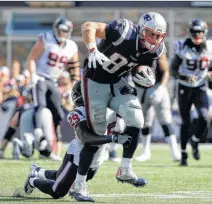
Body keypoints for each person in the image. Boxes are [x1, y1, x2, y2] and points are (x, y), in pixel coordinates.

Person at [71, 12, 167, 196]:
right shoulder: (123, 30)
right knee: (96, 136)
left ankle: (125, 169)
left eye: (158, 35)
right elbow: (88, 25)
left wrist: (146, 75)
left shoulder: (156, 49)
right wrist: (92, 49)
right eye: (150, 33)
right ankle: (78, 184)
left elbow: (145, 66)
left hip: (116, 81)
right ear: (140, 29)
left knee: (137, 118)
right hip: (94, 81)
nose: (153, 39)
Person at [23, 81, 130, 201]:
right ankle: (33, 180)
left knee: (67, 177)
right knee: (58, 191)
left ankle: (39, 171)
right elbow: (86, 138)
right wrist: (113, 138)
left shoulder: (108, 109)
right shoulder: (77, 113)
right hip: (77, 157)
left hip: (97, 158)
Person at [27, 16, 80, 158]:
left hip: (54, 82)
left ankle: (53, 148)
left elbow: (74, 69)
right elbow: (32, 57)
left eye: (64, 30)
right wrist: (32, 75)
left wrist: (72, 89)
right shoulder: (46, 39)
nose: (61, 33)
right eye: (59, 30)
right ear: (55, 29)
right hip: (40, 77)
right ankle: (38, 134)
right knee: (41, 107)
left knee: (57, 113)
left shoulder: (71, 46)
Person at [170, 19, 212, 166]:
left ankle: (195, 141)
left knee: (205, 117)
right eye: (194, 32)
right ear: (190, 32)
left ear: (205, 33)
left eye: (200, 32)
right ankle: (184, 154)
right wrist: (184, 76)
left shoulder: (211, 46)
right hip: (184, 87)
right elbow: (173, 69)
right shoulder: (181, 46)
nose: (197, 34)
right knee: (186, 122)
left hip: (200, 87)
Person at [134, 53, 181, 162]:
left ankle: (175, 151)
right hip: (140, 88)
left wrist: (161, 87)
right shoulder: (134, 48)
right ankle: (145, 151)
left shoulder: (157, 49)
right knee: (144, 121)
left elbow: (165, 71)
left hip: (157, 86)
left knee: (165, 120)